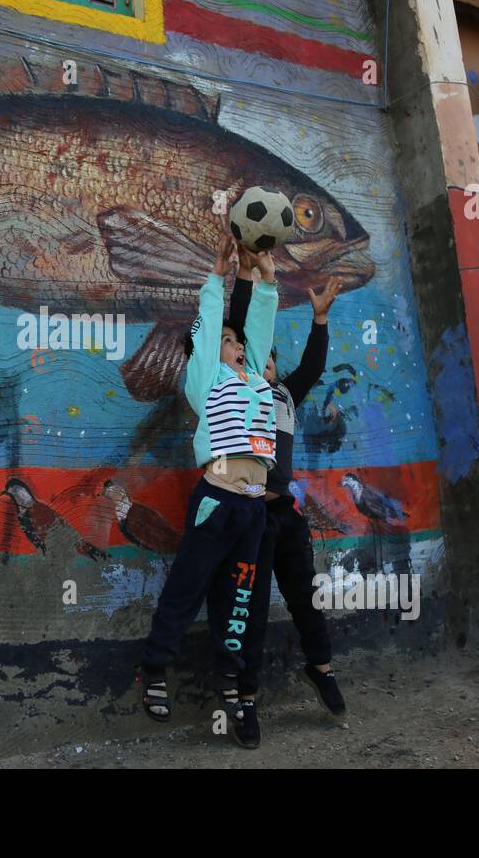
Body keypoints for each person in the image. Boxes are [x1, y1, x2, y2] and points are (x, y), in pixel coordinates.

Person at [139, 233, 278, 747]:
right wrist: (217, 279)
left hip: (252, 510)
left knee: (239, 600)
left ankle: (231, 684)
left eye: (240, 343)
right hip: (216, 501)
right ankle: (154, 667)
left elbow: (260, 327)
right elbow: (205, 334)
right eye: (229, 341)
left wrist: (267, 279)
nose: (239, 346)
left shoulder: (256, 382)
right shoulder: (206, 381)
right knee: (188, 587)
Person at [229, 247, 345, 747]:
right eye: (261, 358)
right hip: (250, 516)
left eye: (273, 360)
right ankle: (245, 700)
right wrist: (248, 278)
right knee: (248, 613)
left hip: (288, 518)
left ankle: (320, 668)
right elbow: (239, 325)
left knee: (305, 599)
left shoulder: (286, 395)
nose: (268, 365)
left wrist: (319, 321)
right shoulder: (241, 388)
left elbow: (314, 367)